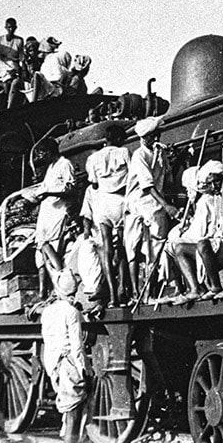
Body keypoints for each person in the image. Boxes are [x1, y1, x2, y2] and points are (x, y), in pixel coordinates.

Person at [170, 161, 223, 304]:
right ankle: (195, 289)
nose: (214, 187)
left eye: (217, 182)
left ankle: (216, 287)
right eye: (211, 183)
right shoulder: (214, 197)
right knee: (179, 248)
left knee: (203, 244)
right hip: (217, 245)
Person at [124, 117, 178, 302]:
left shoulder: (159, 152)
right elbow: (147, 186)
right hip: (139, 204)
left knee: (156, 247)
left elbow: (167, 180)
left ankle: (151, 291)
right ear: (144, 137)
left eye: (157, 135)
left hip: (155, 204)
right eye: (152, 136)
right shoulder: (139, 155)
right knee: (136, 248)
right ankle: (137, 292)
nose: (156, 139)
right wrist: (167, 206)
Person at [39, 268, 90, 443]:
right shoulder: (72, 312)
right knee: (73, 417)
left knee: (69, 415)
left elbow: (47, 340)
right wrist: (83, 369)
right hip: (69, 364)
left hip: (53, 364)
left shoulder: (47, 312)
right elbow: (77, 346)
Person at [23, 139, 79, 293]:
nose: (41, 157)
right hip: (47, 213)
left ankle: (59, 288)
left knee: (52, 249)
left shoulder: (65, 164)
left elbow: (71, 190)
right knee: (41, 248)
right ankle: (43, 290)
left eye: (42, 154)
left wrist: (49, 193)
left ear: (49, 152)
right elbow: (44, 188)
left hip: (58, 212)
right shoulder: (51, 168)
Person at [84, 124, 130, 306]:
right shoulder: (125, 152)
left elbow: (93, 184)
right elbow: (132, 177)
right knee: (122, 247)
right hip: (121, 200)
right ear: (119, 139)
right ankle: (122, 291)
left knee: (107, 248)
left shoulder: (93, 158)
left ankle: (111, 296)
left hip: (103, 203)